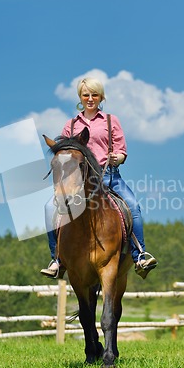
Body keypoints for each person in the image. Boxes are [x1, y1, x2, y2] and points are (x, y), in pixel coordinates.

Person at [40, 77, 157, 280]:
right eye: (86, 95)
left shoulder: (111, 121)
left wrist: (117, 158)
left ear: (101, 96)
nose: (90, 98)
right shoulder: (71, 125)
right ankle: (57, 260)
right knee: (49, 207)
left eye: (94, 94)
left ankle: (140, 256)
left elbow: (122, 151)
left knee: (133, 206)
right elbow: (64, 152)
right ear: (80, 97)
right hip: (78, 180)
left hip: (109, 176)